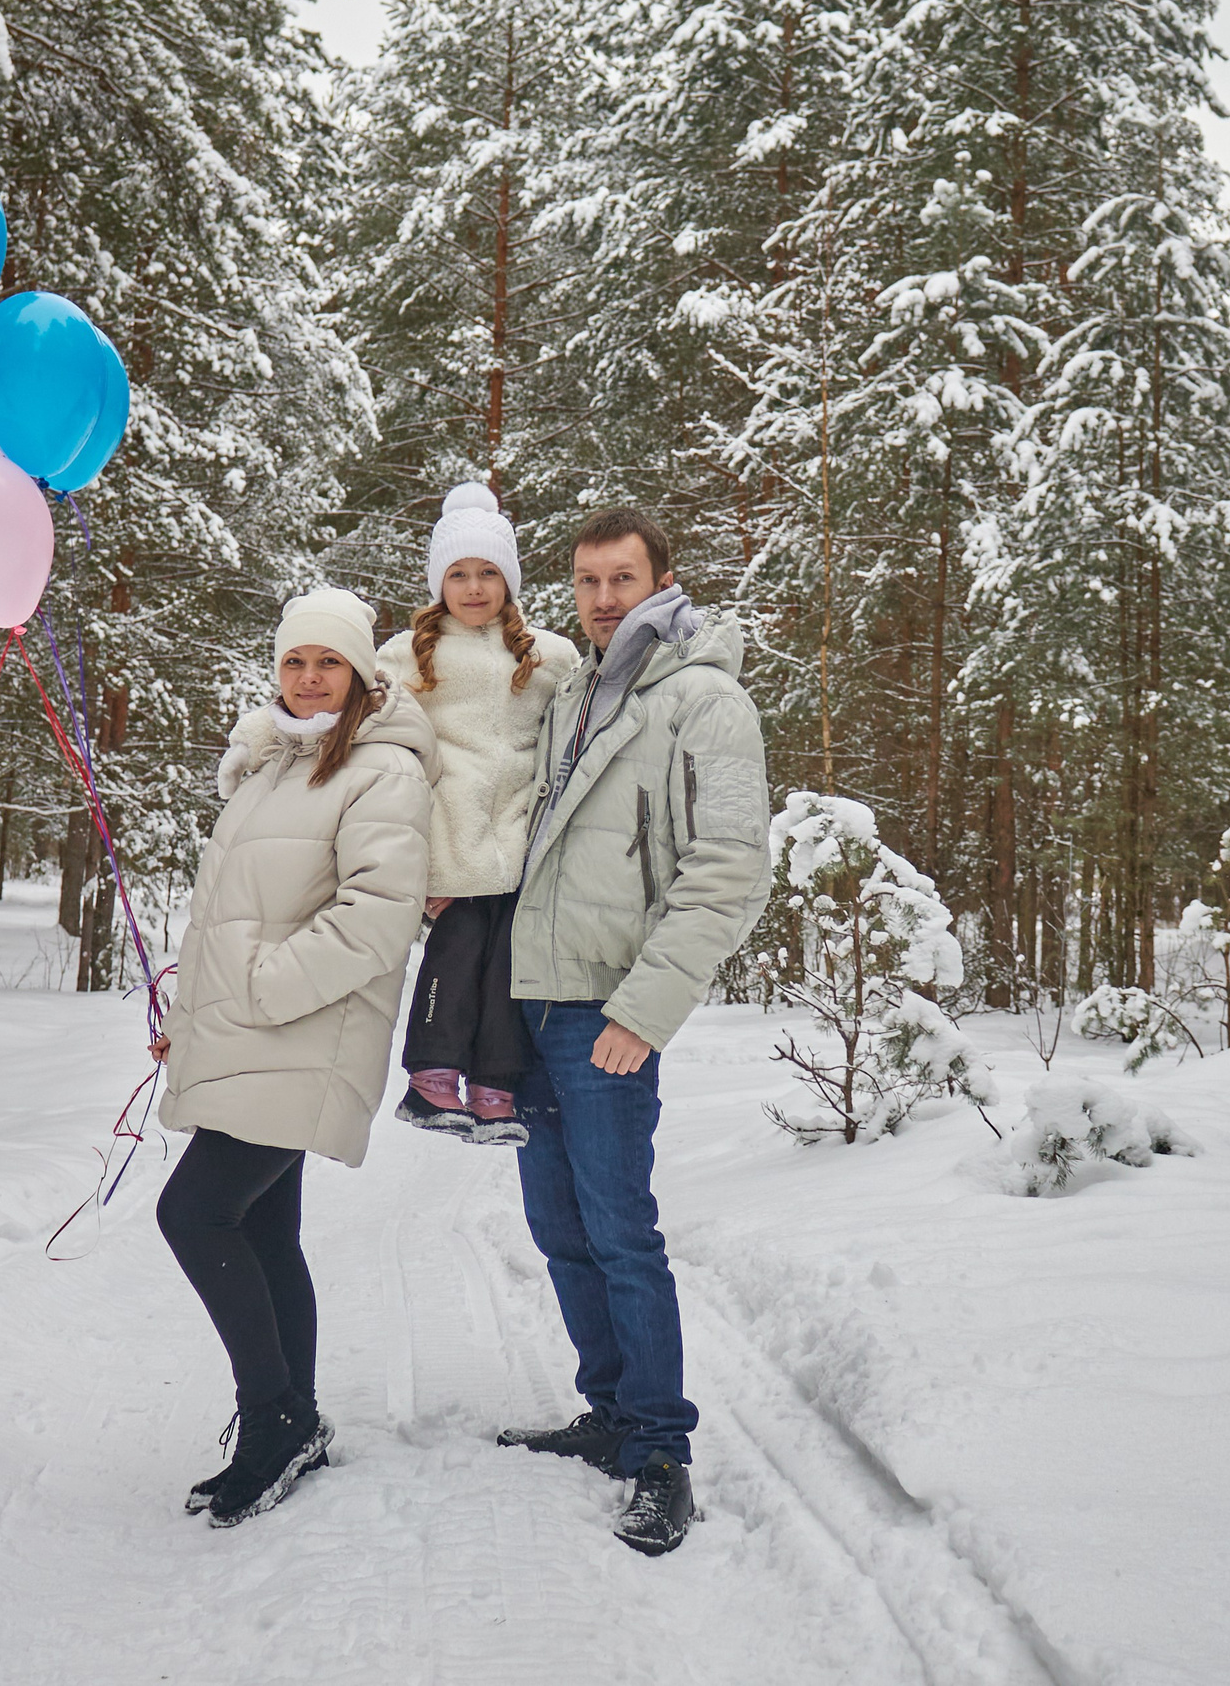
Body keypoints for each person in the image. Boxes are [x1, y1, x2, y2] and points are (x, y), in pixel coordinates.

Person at [494, 507, 770, 1557]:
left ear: (664, 580)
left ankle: (659, 1450)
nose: (603, 599)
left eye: (623, 579)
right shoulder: (570, 692)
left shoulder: (704, 700)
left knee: (621, 1234)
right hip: (534, 1002)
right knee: (559, 1232)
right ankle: (607, 1411)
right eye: (587, 582)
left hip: (611, 1010)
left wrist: (644, 1011)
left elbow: (728, 871)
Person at [149, 587, 435, 1528]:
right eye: (294, 661)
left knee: (193, 1211)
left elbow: (380, 912)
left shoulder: (379, 771)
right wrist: (196, 1014)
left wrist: (265, 988)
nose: (310, 679)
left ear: (360, 673)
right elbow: (234, 919)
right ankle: (296, 1420)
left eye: (329, 662)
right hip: (253, 1032)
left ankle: (270, 1421)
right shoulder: (271, 765)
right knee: (263, 1230)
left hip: (303, 1032)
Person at [375, 482, 580, 1145]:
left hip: (517, 840)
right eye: (458, 574)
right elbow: (378, 735)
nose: (472, 587)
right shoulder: (408, 654)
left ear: (509, 580)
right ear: (439, 583)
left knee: (505, 971)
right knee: (456, 954)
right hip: (448, 837)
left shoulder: (546, 655)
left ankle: (495, 1087)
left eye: (488, 572)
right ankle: (432, 1076)